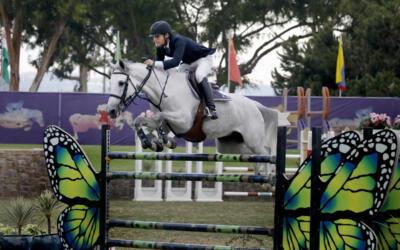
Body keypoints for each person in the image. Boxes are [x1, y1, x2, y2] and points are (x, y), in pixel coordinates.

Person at [144, 20, 218, 120]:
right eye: (153, 37)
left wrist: (153, 63)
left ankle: (211, 109)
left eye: (157, 36)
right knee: (176, 79)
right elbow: (159, 66)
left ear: (166, 35)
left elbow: (175, 62)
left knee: (199, 75)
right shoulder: (160, 47)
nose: (155, 40)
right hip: (188, 62)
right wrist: (150, 67)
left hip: (203, 59)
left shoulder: (178, 40)